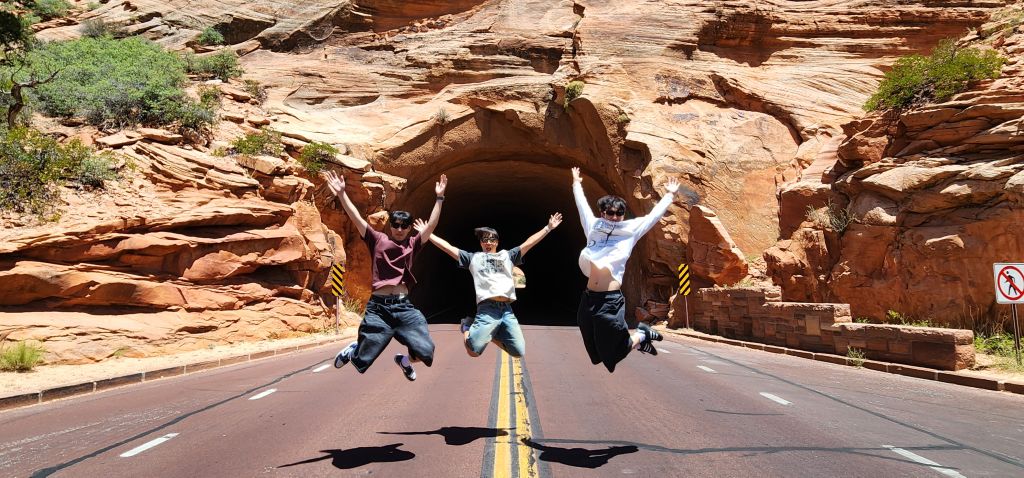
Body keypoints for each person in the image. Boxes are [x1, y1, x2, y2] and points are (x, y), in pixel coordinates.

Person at [324, 170, 447, 381]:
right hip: (378, 308)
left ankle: (405, 361)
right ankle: (354, 350)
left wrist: (439, 197)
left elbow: (432, 225)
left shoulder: (413, 244)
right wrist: (342, 193)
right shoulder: (377, 239)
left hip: (404, 307)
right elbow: (356, 218)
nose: (399, 229)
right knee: (363, 360)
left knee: (426, 352)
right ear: (390, 225)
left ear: (410, 228)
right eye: (395, 225)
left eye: (404, 226)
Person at [570, 167, 679, 373]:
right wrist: (576, 182)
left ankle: (641, 335)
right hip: (589, 298)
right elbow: (581, 205)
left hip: (609, 300)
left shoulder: (630, 230)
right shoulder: (593, 226)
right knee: (595, 355)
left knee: (612, 354)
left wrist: (669, 195)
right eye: (610, 213)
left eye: (619, 213)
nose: (615, 217)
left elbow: (652, 217)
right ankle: (637, 341)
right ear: (603, 212)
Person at [414, 213, 562, 358]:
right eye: (485, 240)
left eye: (492, 239)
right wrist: (428, 234)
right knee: (473, 351)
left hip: (507, 310)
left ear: (497, 242)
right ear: (481, 243)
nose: (488, 242)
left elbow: (529, 243)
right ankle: (467, 326)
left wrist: (548, 228)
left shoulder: (508, 256)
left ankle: (489, 334)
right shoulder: (473, 258)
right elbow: (448, 247)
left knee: (518, 351)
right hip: (487, 309)